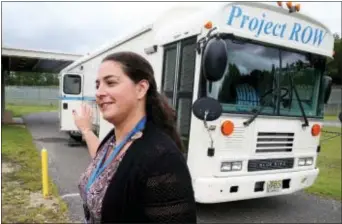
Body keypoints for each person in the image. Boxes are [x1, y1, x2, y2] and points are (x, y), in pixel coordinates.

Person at [72, 51, 197, 223]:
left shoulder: (162, 159)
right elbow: (107, 167)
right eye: (97, 85)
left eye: (110, 82)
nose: (99, 92)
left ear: (141, 89)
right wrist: (86, 130)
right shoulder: (114, 139)